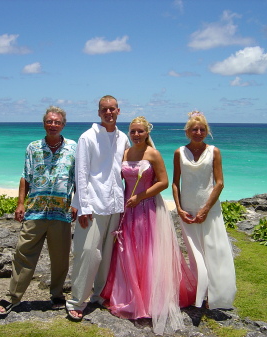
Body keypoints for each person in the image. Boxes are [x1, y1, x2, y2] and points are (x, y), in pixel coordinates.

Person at [100, 116, 196, 335]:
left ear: (147, 132)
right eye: (133, 131)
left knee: (148, 251)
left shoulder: (153, 154)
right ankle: (130, 296)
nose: (136, 135)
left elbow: (163, 182)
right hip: (127, 208)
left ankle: (151, 299)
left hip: (147, 208)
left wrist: (141, 197)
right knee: (128, 252)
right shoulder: (125, 153)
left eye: (140, 131)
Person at [0, 106, 77, 316]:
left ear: (63, 125)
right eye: (49, 121)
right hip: (35, 211)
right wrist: (20, 203)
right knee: (23, 255)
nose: (53, 125)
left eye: (57, 122)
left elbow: (79, 179)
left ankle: (57, 295)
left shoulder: (74, 148)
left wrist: (78, 203)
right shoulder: (33, 147)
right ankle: (14, 297)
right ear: (44, 123)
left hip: (61, 212)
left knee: (60, 258)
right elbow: (25, 177)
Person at [66, 95, 130, 321]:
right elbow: (81, 174)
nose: (109, 112)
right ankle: (76, 300)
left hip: (115, 204)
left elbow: (128, 167)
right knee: (88, 254)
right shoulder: (87, 137)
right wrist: (82, 206)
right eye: (105, 109)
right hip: (93, 203)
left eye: (112, 109)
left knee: (107, 255)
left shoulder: (123, 137)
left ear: (119, 111)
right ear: (99, 112)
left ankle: (99, 296)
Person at [172, 111, 236, 310]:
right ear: (187, 132)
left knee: (215, 253)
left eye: (202, 129)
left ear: (207, 131)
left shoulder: (214, 151)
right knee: (196, 257)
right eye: (194, 129)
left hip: (210, 211)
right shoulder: (179, 152)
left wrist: (206, 209)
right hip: (187, 212)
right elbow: (175, 183)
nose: (198, 132)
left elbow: (219, 183)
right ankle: (200, 295)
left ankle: (214, 296)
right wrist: (179, 209)